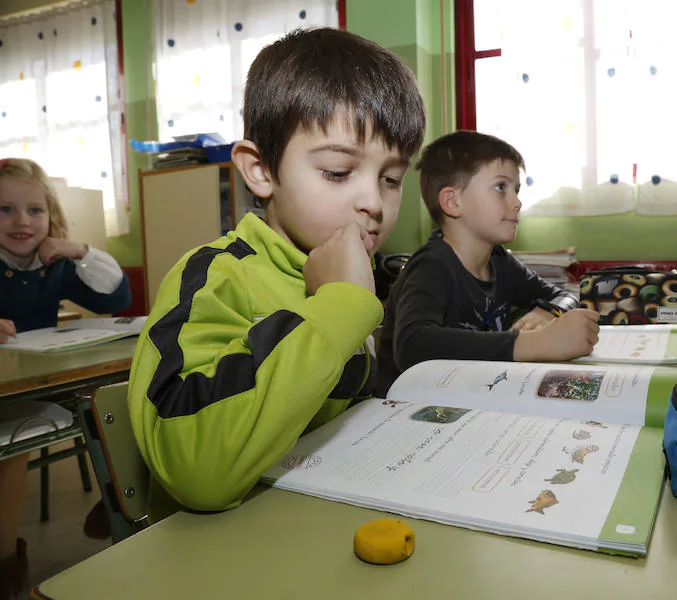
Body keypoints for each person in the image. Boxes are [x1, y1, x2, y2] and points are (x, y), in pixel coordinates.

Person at [127, 27, 426, 517]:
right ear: (261, 170)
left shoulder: (355, 270)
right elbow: (196, 473)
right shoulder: (215, 278)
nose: (374, 202)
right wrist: (340, 305)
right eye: (336, 172)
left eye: (391, 178)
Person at [376, 131, 601, 396]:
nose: (517, 202)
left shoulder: (500, 261)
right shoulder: (431, 267)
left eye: (516, 190)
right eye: (500, 188)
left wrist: (547, 310)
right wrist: (529, 344)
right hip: (404, 409)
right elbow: (413, 346)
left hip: (469, 395)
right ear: (453, 201)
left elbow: (565, 293)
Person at [0, 157, 131, 599]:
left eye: (34, 211)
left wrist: (79, 252)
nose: (22, 222)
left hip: (43, 382)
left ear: (50, 216)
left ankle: (120, 492)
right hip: (7, 396)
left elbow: (117, 297)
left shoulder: (51, 265)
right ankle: (6, 567)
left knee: (120, 393)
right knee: (13, 444)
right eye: (5, 210)